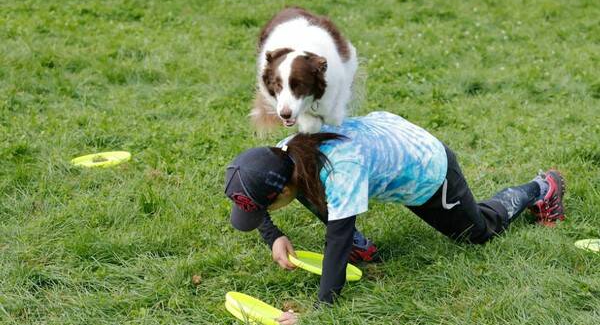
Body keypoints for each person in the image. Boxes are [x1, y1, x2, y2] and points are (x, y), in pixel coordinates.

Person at [224, 111, 565, 325]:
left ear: (282, 187)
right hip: (382, 136)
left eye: (264, 208)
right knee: (314, 191)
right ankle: (363, 245)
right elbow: (265, 201)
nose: (260, 214)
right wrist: (273, 236)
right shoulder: (285, 156)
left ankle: (541, 188)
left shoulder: (341, 169)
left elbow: (336, 240)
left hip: (425, 167)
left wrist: (318, 312)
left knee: (477, 233)